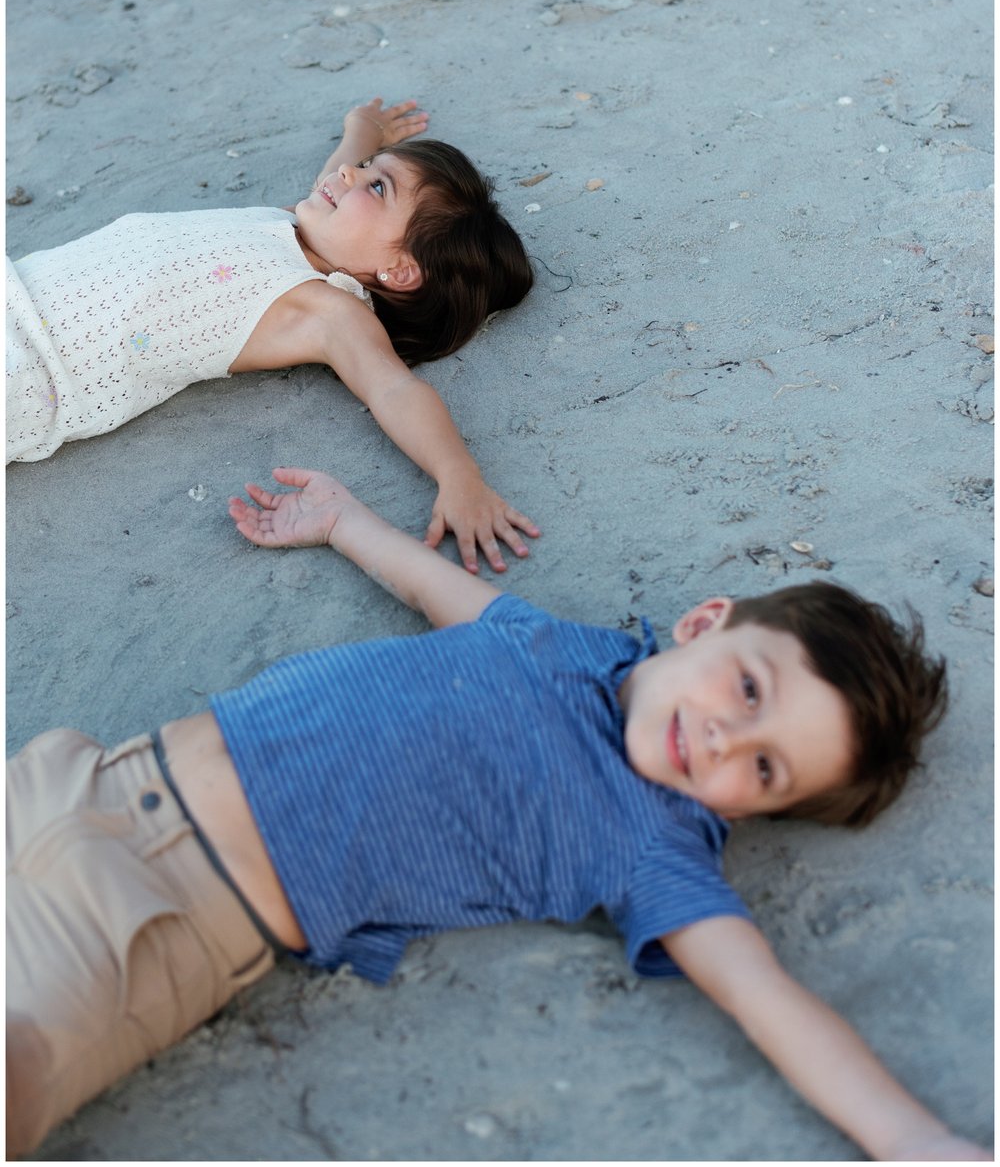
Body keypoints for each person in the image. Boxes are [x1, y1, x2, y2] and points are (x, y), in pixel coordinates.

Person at [6, 470, 989, 1161]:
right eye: (745, 689)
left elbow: (766, 995)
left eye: (766, 767)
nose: (726, 740)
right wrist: (342, 521)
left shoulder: (653, 844)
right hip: (85, 779)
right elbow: (445, 591)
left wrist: (909, 1138)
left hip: (157, 917)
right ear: (703, 624)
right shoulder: (561, 644)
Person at [5, 98, 537, 571]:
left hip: (28, 369)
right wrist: (363, 134)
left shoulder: (323, 306)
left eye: (377, 186)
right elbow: (333, 179)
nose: (349, 174)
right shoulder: (298, 223)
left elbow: (393, 389)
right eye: (365, 169)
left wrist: (457, 475)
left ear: (400, 270)